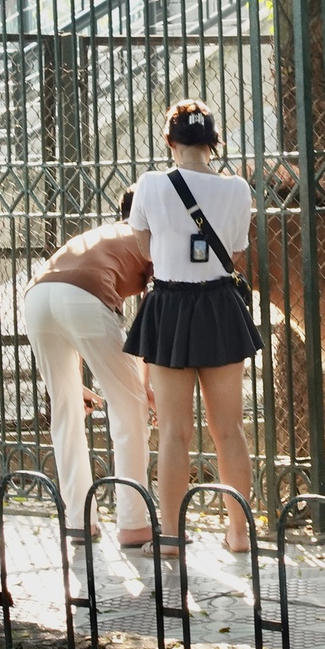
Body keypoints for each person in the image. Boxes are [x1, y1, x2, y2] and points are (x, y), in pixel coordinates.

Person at [125, 100, 262, 554]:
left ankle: (171, 536)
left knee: (175, 432)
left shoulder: (149, 185)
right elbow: (236, 252)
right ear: (212, 143)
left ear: (170, 141)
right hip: (220, 307)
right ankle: (239, 534)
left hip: (170, 306)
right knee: (230, 430)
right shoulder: (239, 189)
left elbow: (146, 250)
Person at [23, 189, 153, 547]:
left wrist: (75, 379)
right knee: (130, 410)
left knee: (65, 412)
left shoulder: (102, 235)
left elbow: (66, 300)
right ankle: (133, 523)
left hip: (36, 298)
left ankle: (79, 521)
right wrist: (145, 385)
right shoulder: (148, 239)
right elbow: (147, 317)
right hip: (82, 299)